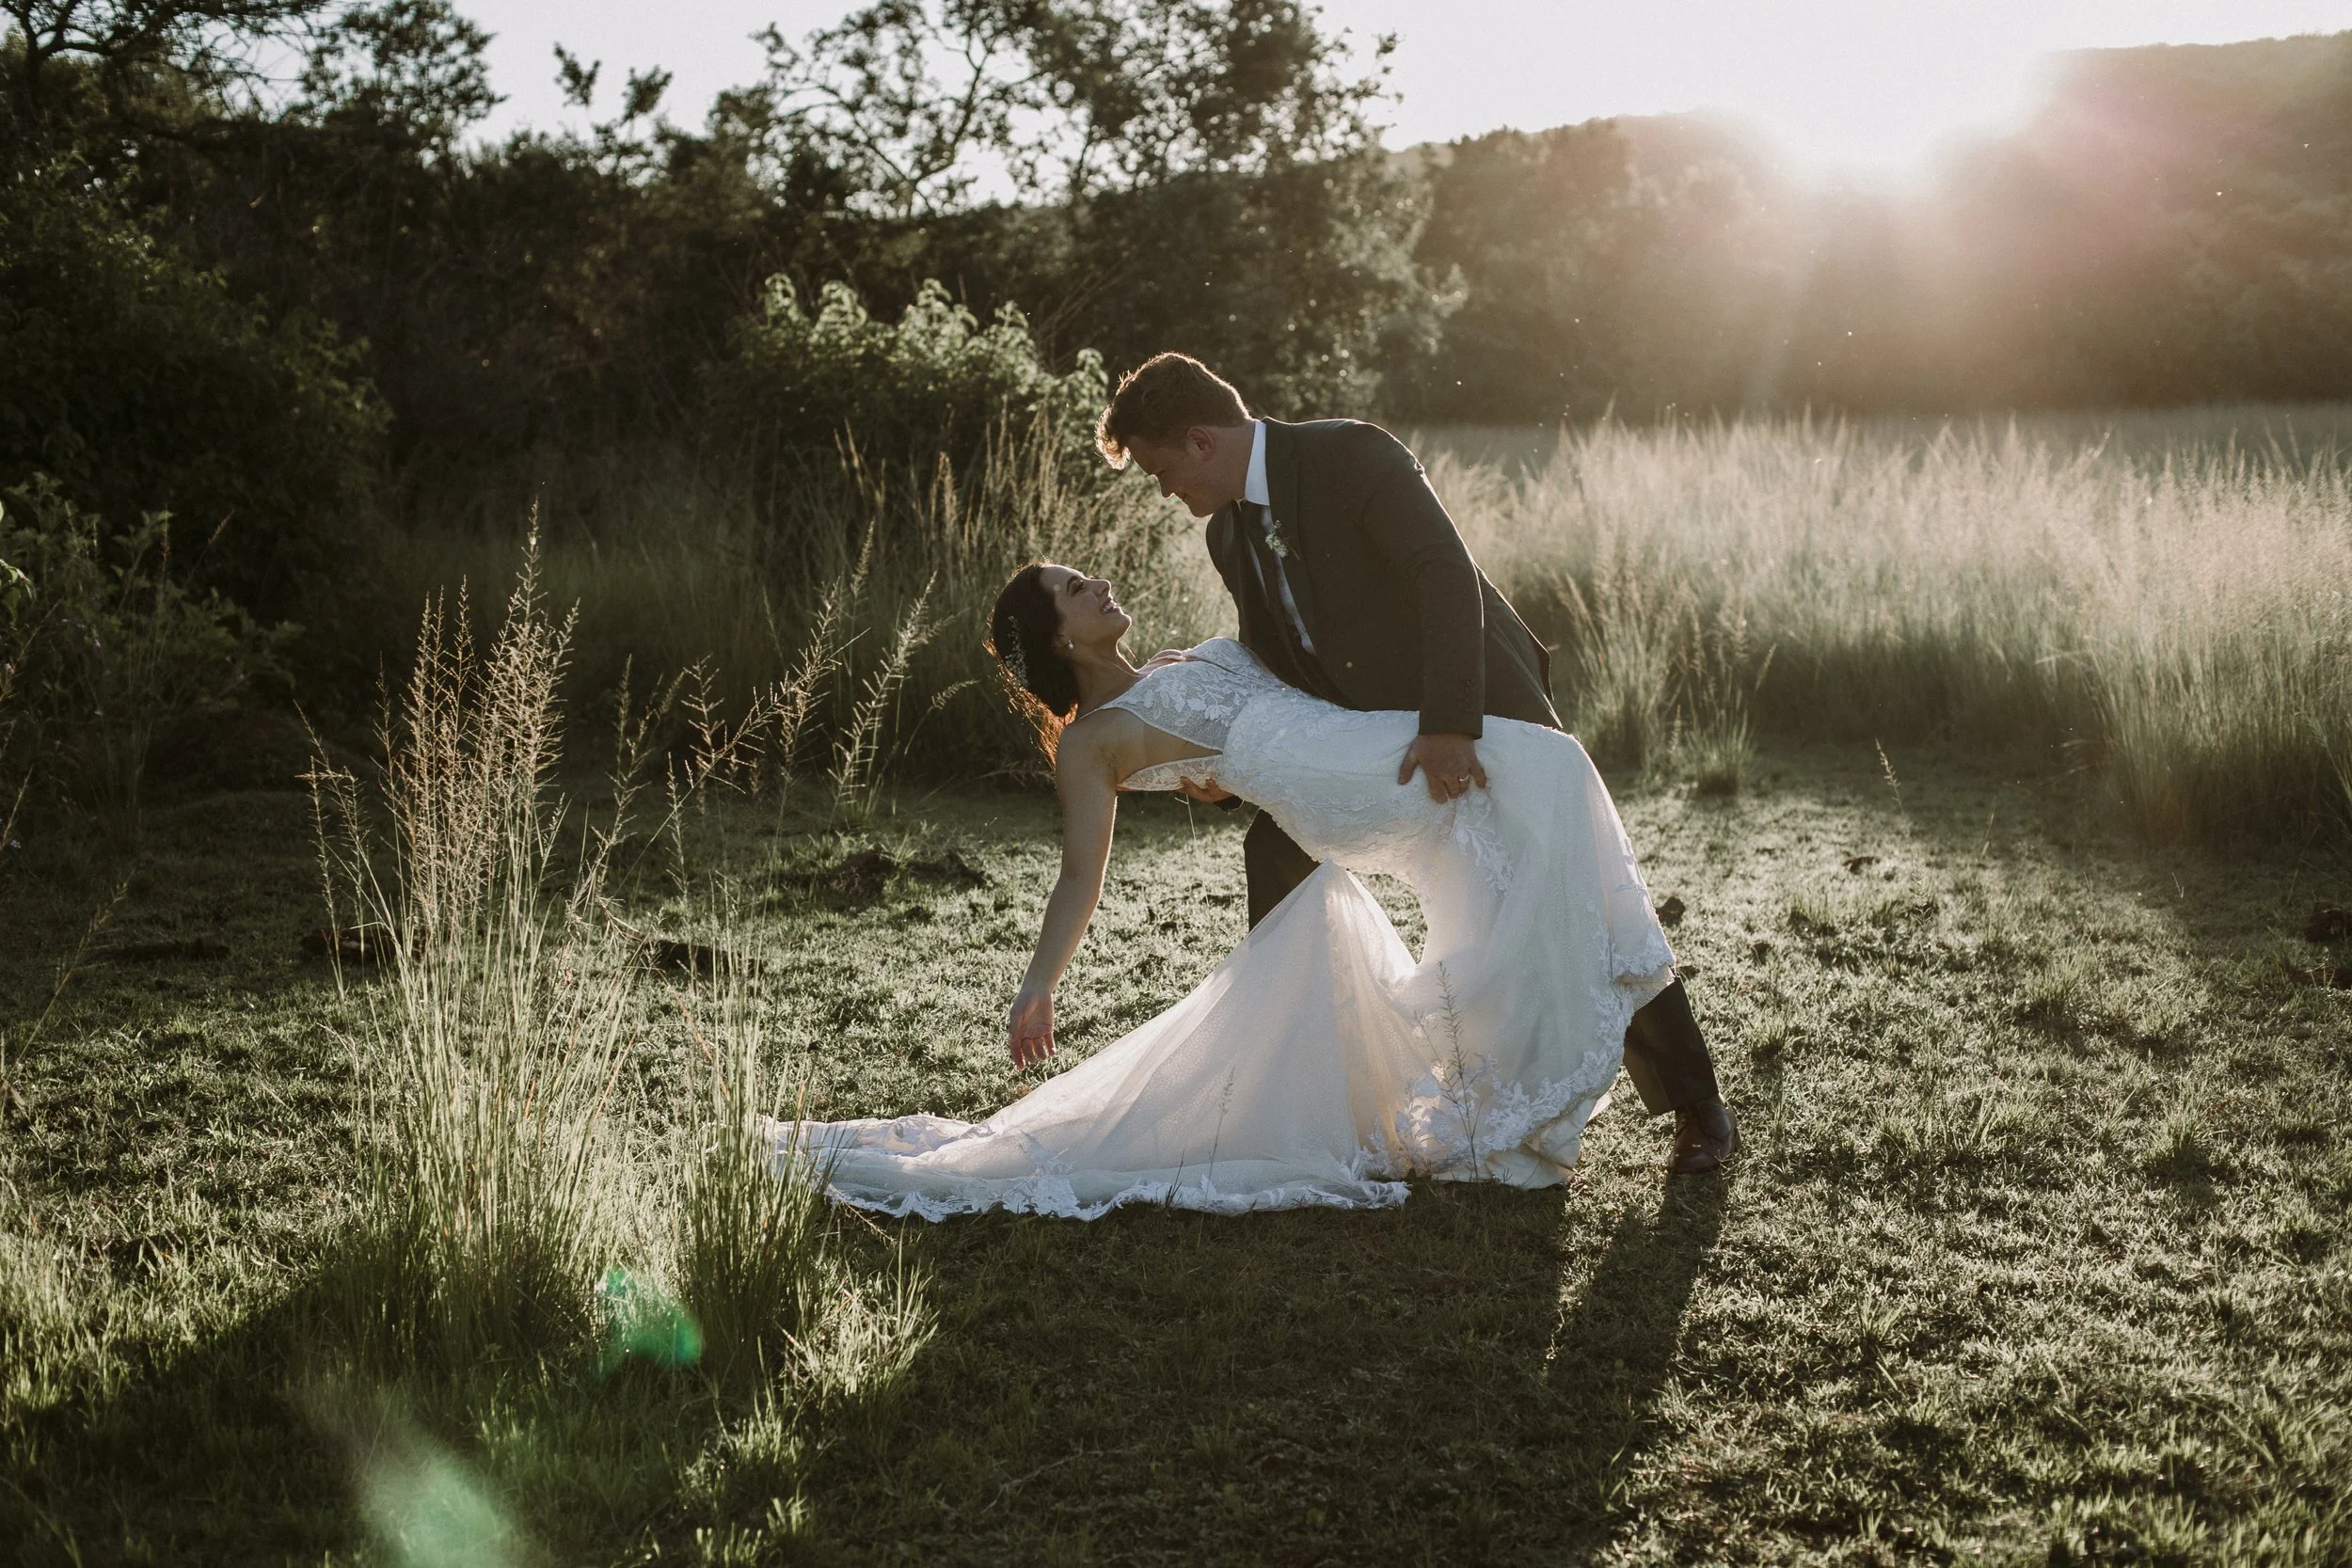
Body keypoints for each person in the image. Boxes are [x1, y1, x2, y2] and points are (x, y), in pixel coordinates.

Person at [770, 549, 1691, 1220]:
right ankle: (1565, 1061)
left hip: (1360, 742)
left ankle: (1544, 1053)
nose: (1096, 582)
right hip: (1347, 785)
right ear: (1056, 635)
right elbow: (1080, 874)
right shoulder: (1094, 742)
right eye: (1071, 589)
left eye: (1083, 573)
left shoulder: (1173, 662)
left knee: (1541, 791)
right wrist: (1038, 982)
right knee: (1553, 769)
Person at [1100, 353, 1738, 1175]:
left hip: (1479, 708)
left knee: (1579, 885)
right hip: (1371, 744)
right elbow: (1280, 663)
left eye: (1160, 472)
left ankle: (1697, 1107)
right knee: (1274, 848)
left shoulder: (1349, 455)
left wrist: (1448, 726)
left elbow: (1443, 575)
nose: (1165, 494)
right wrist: (1221, 741)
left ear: (1198, 441)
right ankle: (1308, 1099)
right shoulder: (1230, 534)